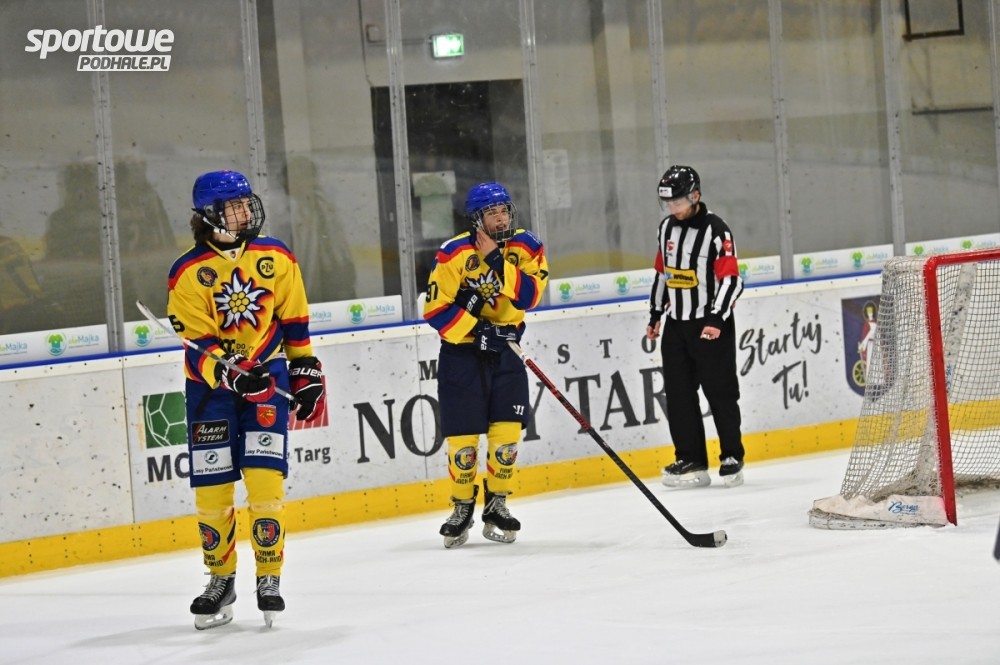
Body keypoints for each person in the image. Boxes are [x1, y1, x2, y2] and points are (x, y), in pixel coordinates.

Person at [167, 170, 326, 629]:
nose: (244, 211)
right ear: (209, 215)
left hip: (267, 378)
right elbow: (197, 347)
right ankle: (221, 579)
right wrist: (231, 374)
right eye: (233, 206)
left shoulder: (276, 256)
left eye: (244, 203)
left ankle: (269, 577)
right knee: (212, 492)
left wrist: (305, 371)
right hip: (210, 393)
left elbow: (295, 323)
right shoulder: (187, 272)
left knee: (265, 483)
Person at [423, 182, 549, 548]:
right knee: (463, 438)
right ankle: (462, 506)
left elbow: (529, 296)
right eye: (492, 213)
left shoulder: (527, 246)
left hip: (507, 350)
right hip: (461, 354)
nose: (501, 218)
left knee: (506, 433)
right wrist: (478, 330)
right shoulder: (453, 253)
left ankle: (497, 503)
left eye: (504, 210)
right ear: (477, 219)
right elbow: (435, 310)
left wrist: (495, 258)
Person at [645, 165, 746, 489]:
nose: (672, 209)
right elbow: (663, 274)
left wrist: (716, 319)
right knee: (678, 395)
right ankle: (691, 459)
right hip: (677, 326)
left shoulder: (717, 231)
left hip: (710, 323)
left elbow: (731, 280)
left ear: (695, 196)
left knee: (720, 392)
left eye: (677, 202)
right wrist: (655, 313)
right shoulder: (665, 229)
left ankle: (731, 456)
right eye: (668, 203)